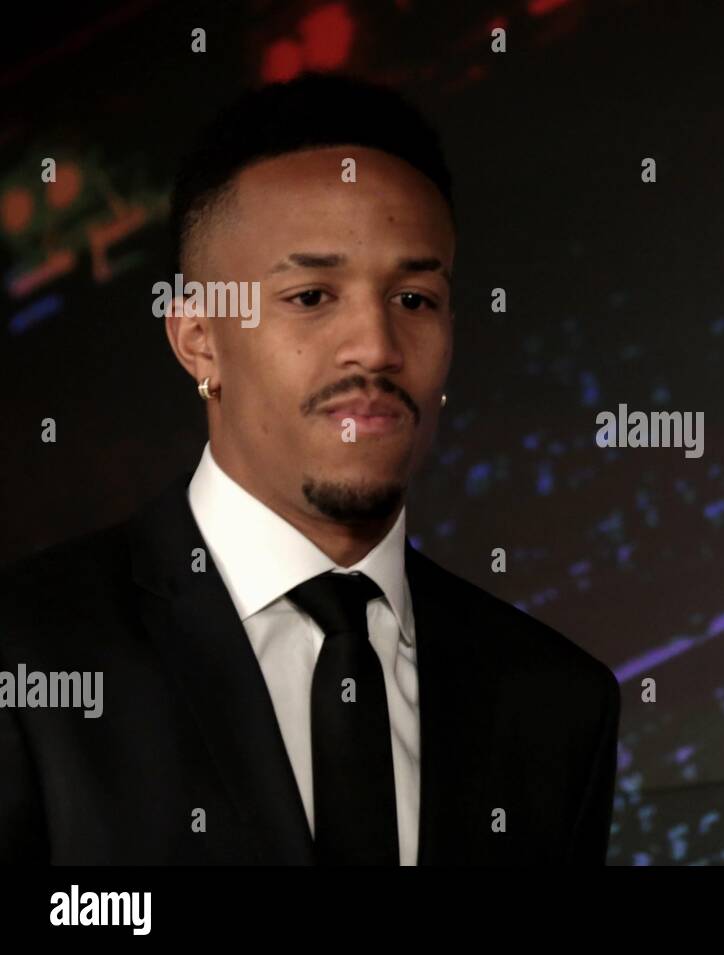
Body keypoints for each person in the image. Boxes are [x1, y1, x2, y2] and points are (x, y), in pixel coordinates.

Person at [0, 73, 620, 865]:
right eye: (311, 295)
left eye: (416, 298)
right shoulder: (28, 658)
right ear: (197, 338)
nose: (376, 345)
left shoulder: (557, 700)